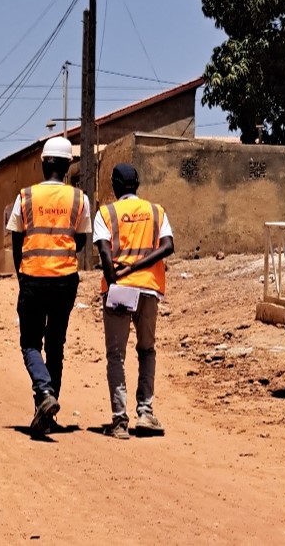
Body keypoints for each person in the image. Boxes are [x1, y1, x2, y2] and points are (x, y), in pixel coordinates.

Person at [6, 136, 90, 437]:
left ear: (43, 164)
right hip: (65, 279)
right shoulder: (79, 198)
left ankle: (44, 392)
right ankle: (47, 412)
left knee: (30, 343)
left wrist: (22, 275)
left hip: (33, 277)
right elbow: (81, 240)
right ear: (68, 166)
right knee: (55, 345)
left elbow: (17, 239)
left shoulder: (25, 196)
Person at [94, 163, 174, 440]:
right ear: (137, 184)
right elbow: (168, 246)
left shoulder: (106, 213)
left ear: (115, 186)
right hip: (149, 289)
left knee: (116, 355)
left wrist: (116, 277)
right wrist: (138, 267)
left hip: (119, 290)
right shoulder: (156, 211)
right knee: (147, 350)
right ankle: (146, 413)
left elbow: (104, 253)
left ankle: (119, 421)